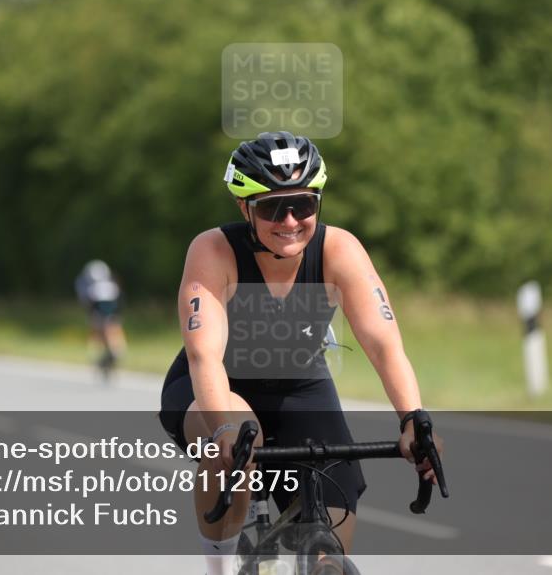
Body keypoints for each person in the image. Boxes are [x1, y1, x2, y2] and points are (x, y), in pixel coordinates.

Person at [159, 131, 438, 575]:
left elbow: (384, 345)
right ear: (244, 208)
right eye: (272, 208)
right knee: (238, 441)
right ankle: (221, 567)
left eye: (303, 205)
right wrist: (223, 427)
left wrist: (412, 419)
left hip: (300, 386)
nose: (290, 220)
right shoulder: (213, 250)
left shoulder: (339, 249)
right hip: (216, 389)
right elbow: (204, 357)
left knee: (332, 545)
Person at [75, 259, 127, 377]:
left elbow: (90, 305)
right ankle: (110, 355)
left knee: (101, 336)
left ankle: (103, 356)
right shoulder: (112, 285)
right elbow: (120, 303)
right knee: (111, 335)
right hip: (112, 316)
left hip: (102, 316)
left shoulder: (92, 289)